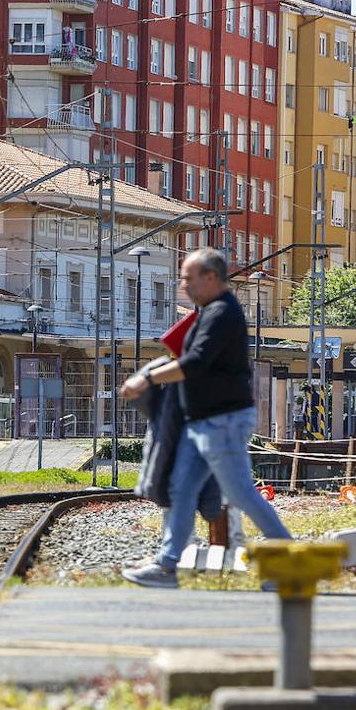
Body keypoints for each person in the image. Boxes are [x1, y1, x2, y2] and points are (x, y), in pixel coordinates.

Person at [119, 248, 291, 589]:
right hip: (204, 423)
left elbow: (196, 362)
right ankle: (167, 566)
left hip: (222, 422)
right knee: (181, 490)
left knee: (241, 493)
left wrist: (147, 378)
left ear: (210, 277)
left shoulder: (222, 313)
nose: (184, 286)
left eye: (188, 278)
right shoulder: (210, 312)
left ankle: (287, 563)